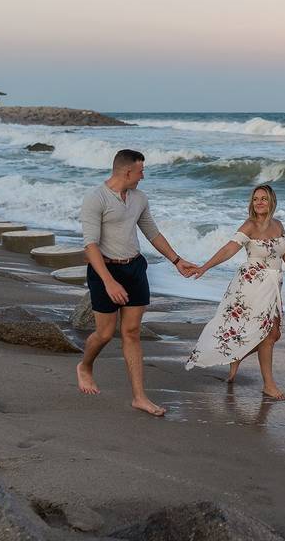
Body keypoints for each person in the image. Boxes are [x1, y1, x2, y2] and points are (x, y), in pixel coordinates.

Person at [76, 149, 197, 416]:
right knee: (105, 334)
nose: (143, 176)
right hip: (104, 271)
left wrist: (177, 261)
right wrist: (108, 282)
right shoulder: (95, 199)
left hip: (135, 269)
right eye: (141, 171)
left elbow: (152, 233)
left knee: (131, 332)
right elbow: (90, 246)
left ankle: (140, 397)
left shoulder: (139, 198)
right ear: (127, 171)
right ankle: (85, 366)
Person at [185, 184, 285, 400]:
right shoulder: (249, 226)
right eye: (256, 199)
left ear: (272, 201)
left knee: (274, 334)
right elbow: (229, 249)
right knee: (267, 334)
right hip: (252, 285)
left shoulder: (278, 225)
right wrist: (205, 267)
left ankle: (238, 355)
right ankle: (269, 385)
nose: (259, 202)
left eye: (264, 198)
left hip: (273, 285)